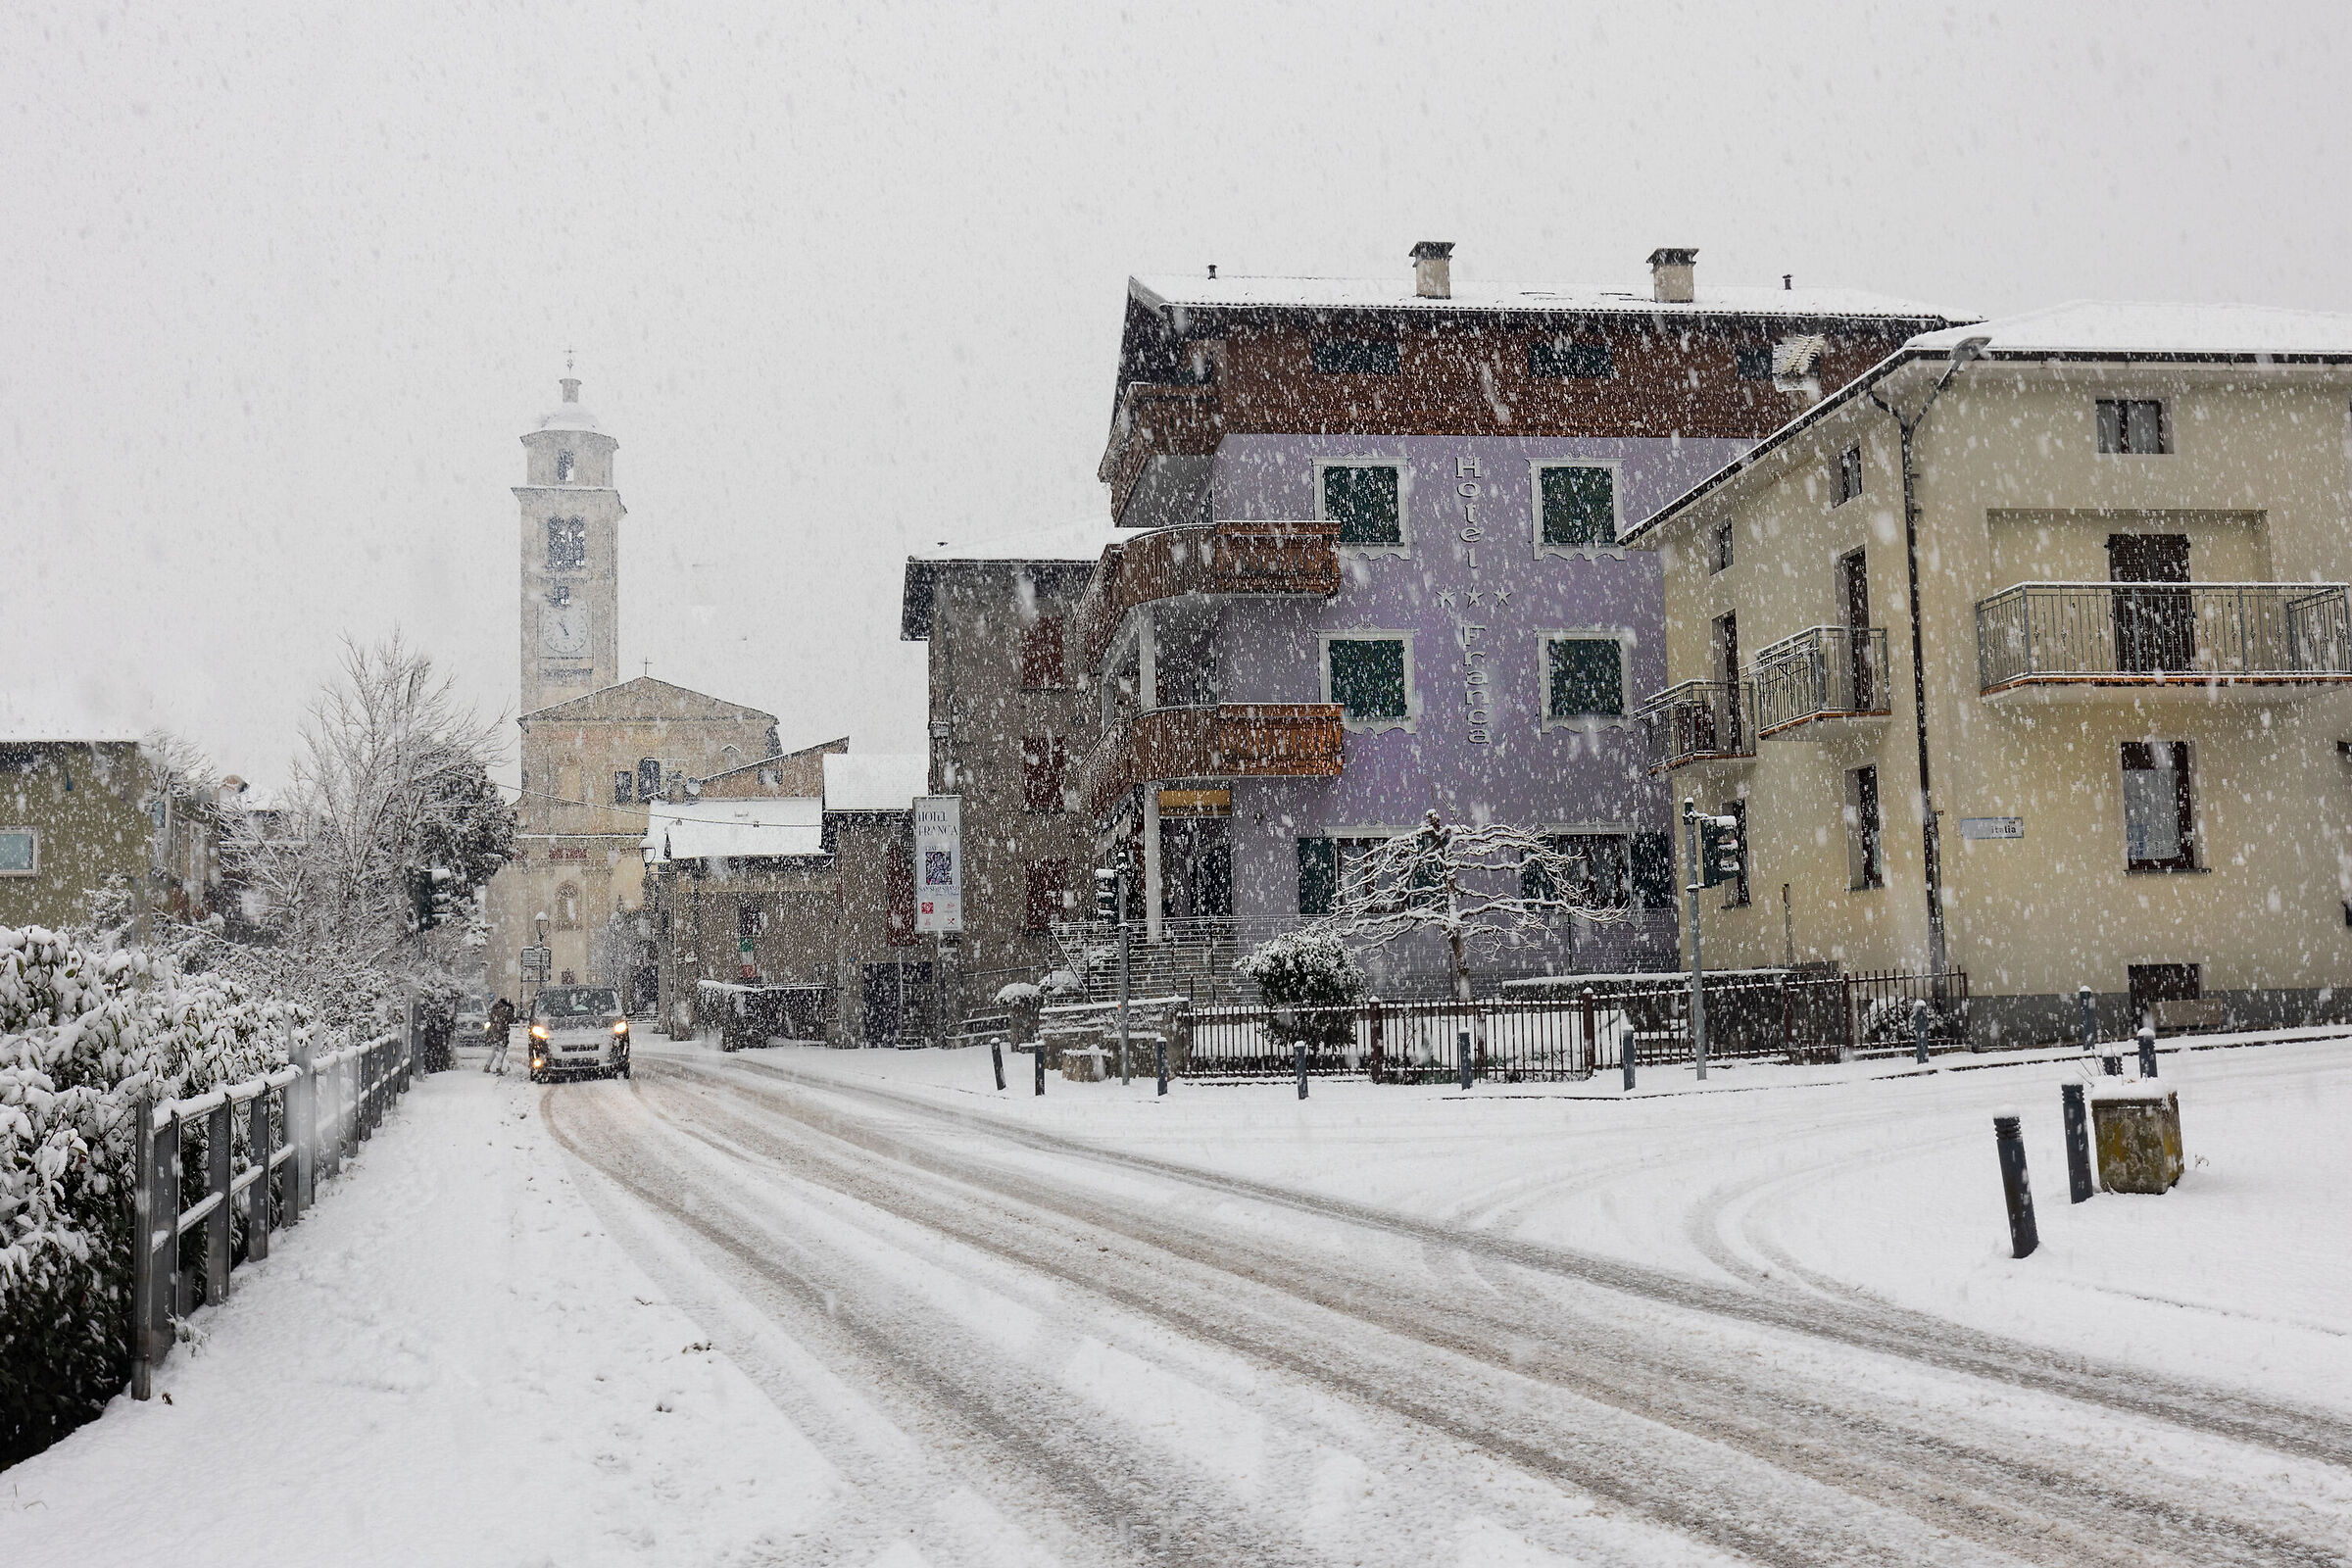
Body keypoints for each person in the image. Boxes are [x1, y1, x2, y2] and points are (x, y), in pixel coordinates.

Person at [484, 996, 514, 1075]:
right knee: (502, 1050)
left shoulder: (494, 1008)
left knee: (494, 1051)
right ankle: (498, 1068)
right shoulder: (507, 1009)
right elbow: (511, 1020)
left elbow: (491, 1019)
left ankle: (487, 1067)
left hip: (493, 1032)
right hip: (502, 1032)